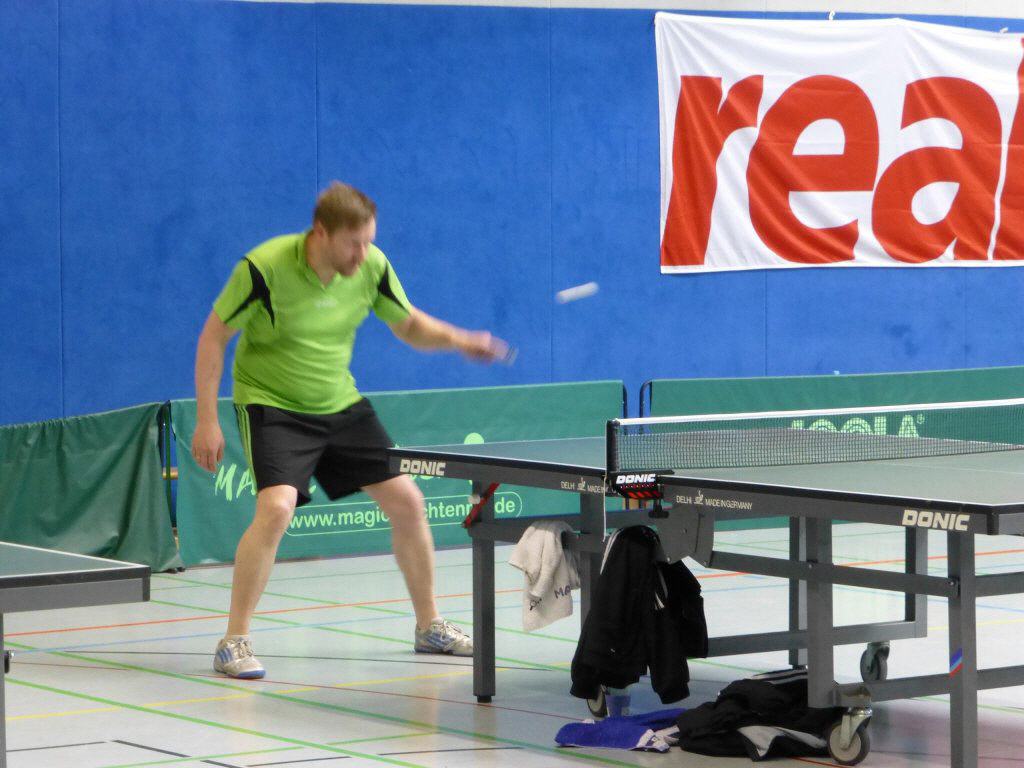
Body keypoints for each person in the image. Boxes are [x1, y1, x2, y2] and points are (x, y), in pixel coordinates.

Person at [191, 181, 508, 679]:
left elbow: (408, 325)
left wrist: (460, 340)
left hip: (339, 402)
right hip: (272, 404)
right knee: (277, 508)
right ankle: (233, 640)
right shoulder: (264, 268)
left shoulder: (372, 266)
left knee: (408, 502)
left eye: (368, 242)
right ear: (320, 233)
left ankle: (429, 625)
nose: (363, 255)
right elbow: (214, 337)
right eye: (353, 244)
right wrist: (207, 419)